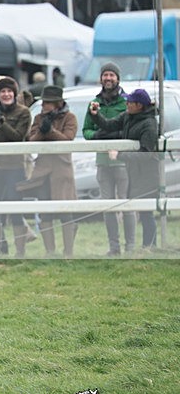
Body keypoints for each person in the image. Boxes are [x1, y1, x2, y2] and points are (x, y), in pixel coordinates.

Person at [88, 89, 159, 249]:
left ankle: (150, 247)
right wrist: (95, 115)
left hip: (147, 174)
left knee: (146, 213)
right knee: (141, 210)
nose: (126, 104)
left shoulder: (149, 124)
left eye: (129, 102)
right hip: (133, 171)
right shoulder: (128, 116)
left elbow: (146, 154)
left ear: (139, 105)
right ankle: (147, 247)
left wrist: (120, 155)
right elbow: (109, 124)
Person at [82, 62, 135, 255]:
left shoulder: (127, 102)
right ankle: (114, 247)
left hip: (124, 161)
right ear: (101, 79)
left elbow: (131, 129)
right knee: (107, 205)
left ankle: (130, 246)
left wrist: (115, 137)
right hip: (103, 163)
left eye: (112, 75)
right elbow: (86, 130)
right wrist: (96, 137)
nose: (108, 78)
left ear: (118, 78)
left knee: (127, 203)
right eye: (105, 75)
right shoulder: (94, 103)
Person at [0, 76, 34, 257]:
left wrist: (2, 123)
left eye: (9, 91)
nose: (6, 94)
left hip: (14, 166)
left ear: (14, 93)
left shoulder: (23, 112)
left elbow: (18, 136)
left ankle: (20, 251)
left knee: (15, 207)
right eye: (2, 91)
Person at [25, 85, 78, 257]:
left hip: (62, 170)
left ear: (56, 103)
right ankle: (50, 251)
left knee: (65, 212)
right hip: (43, 170)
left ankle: (68, 251)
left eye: (46, 103)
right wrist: (42, 130)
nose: (43, 106)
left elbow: (67, 139)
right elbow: (32, 140)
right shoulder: (39, 118)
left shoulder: (70, 118)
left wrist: (51, 131)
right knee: (45, 212)